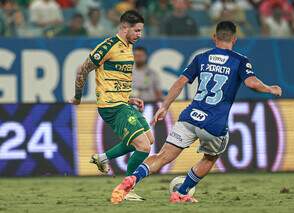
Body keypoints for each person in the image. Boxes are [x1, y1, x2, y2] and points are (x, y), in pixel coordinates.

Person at [110, 21, 282, 204]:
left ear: (214, 37)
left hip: (189, 117)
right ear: (235, 39)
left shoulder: (201, 57)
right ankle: (181, 192)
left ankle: (131, 180)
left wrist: (165, 106)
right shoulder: (240, 60)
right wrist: (270, 89)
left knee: (162, 157)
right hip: (214, 124)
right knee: (210, 157)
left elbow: (180, 82)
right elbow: (251, 83)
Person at [69, 10, 154, 201]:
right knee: (143, 147)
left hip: (122, 102)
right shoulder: (108, 47)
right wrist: (77, 97)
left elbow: (115, 78)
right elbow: (82, 70)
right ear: (125, 27)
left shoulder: (128, 46)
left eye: (141, 31)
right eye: (137, 31)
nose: (140, 35)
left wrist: (129, 97)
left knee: (149, 139)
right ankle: (126, 189)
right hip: (111, 106)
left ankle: (103, 157)